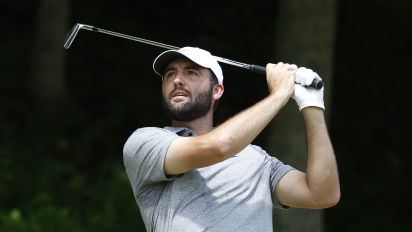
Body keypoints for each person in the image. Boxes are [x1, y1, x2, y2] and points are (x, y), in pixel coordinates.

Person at [123, 47, 340, 231]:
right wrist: (280, 94)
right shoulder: (145, 142)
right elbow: (218, 146)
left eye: (191, 73)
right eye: (170, 74)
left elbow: (322, 194)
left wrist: (312, 106)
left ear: (216, 90)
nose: (178, 80)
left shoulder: (258, 159)